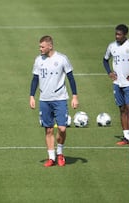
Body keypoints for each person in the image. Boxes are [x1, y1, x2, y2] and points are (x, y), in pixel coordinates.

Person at [29, 35, 78, 167]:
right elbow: (35, 79)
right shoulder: (38, 60)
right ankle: (51, 157)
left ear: (50, 46)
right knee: (48, 130)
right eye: (39, 47)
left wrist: (74, 96)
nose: (40, 49)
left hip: (60, 99)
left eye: (42, 47)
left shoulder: (62, 59)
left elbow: (71, 78)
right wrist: (32, 96)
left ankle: (60, 152)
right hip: (44, 99)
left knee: (62, 128)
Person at [103, 24, 129, 146]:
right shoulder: (112, 46)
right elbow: (105, 59)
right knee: (122, 109)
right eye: (116, 34)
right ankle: (126, 137)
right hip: (117, 83)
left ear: (125, 35)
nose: (117, 37)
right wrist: (109, 72)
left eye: (119, 34)